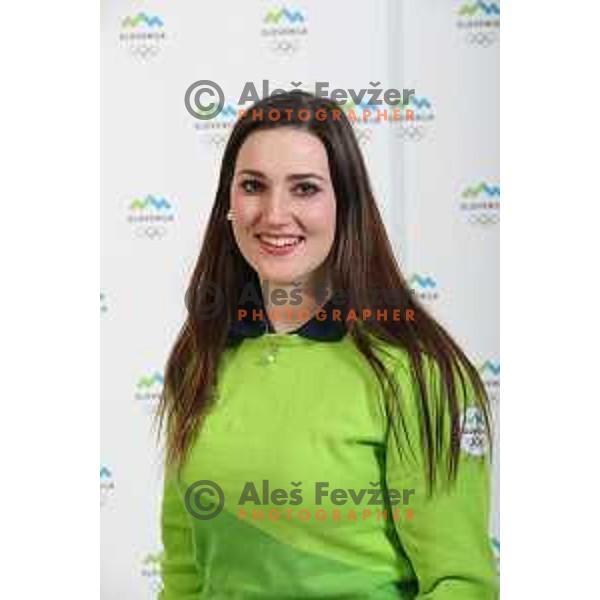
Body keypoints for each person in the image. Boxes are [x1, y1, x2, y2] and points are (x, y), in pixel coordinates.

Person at [155, 91, 499, 599]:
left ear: (345, 204)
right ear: (228, 203)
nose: (275, 214)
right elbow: (184, 578)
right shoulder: (200, 359)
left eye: (305, 189)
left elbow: (460, 584)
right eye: (253, 186)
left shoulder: (415, 372)